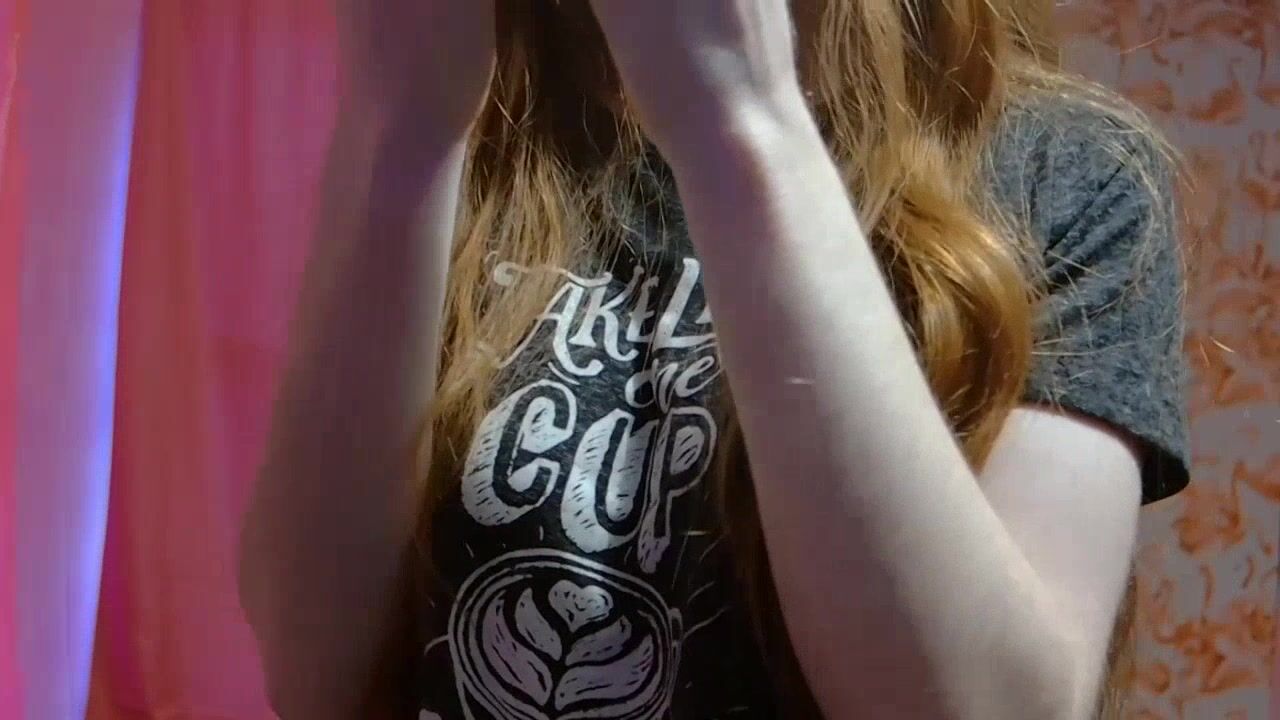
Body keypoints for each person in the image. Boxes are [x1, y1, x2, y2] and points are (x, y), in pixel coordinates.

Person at [237, 1, 1190, 718]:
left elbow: (990, 706)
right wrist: (399, 124)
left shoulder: (1065, 172)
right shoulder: (473, 140)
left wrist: (739, 124)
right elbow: (315, 677)